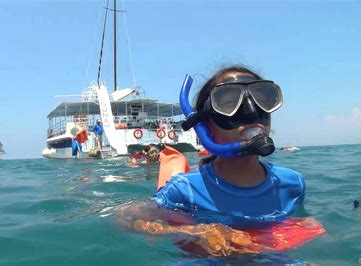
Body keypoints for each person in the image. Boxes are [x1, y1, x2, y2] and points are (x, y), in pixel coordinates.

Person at [117, 66, 306, 256]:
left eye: (262, 99)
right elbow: (126, 217)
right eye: (230, 104)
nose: (251, 112)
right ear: (205, 127)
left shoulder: (292, 184)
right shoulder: (186, 189)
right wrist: (194, 232)